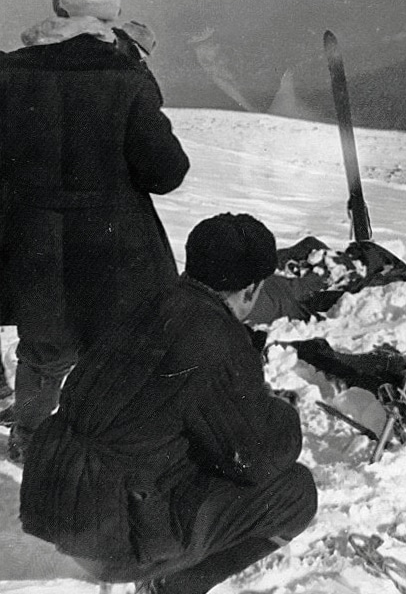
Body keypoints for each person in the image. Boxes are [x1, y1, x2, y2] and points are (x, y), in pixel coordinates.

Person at [19, 213, 318, 594]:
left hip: (51, 501)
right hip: (109, 539)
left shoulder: (145, 302)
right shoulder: (215, 337)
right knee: (295, 493)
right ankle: (174, 586)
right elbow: (257, 459)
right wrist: (282, 412)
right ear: (251, 290)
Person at [0, 0, 190, 462]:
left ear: (57, 1)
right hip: (114, 247)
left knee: (42, 351)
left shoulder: (8, 72)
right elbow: (167, 173)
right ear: (114, 7)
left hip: (33, 244)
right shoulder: (125, 74)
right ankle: (106, 448)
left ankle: (31, 442)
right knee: (115, 352)